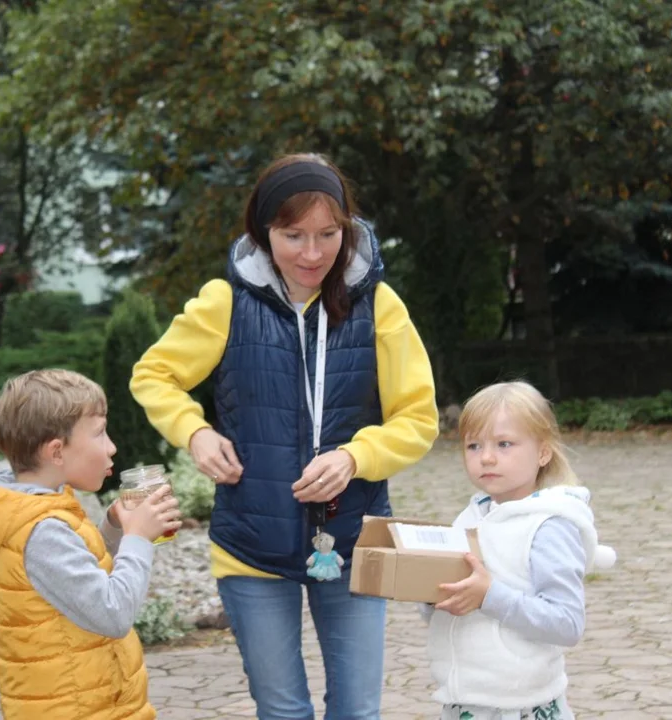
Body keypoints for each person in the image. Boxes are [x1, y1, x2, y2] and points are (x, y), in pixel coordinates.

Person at [130, 153, 439, 719]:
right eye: (293, 235)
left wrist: (355, 456)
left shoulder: (379, 305)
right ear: (262, 231)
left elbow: (418, 419)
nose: (313, 253)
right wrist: (194, 433)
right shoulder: (225, 302)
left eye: (328, 234)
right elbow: (154, 374)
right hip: (250, 545)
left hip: (351, 541)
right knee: (282, 712)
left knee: (357, 712)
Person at [0, 369, 182, 720]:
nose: (112, 446)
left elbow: (76, 580)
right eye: (100, 433)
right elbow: (111, 613)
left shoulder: (40, 505)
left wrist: (114, 527)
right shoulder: (42, 529)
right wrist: (137, 538)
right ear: (56, 452)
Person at [420, 381, 617, 720]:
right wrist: (430, 594)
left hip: (523, 708)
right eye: (473, 445)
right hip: (463, 702)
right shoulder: (470, 518)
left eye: (504, 444)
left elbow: (567, 623)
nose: (486, 457)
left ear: (543, 452)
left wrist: (489, 596)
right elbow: (444, 610)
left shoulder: (549, 526)